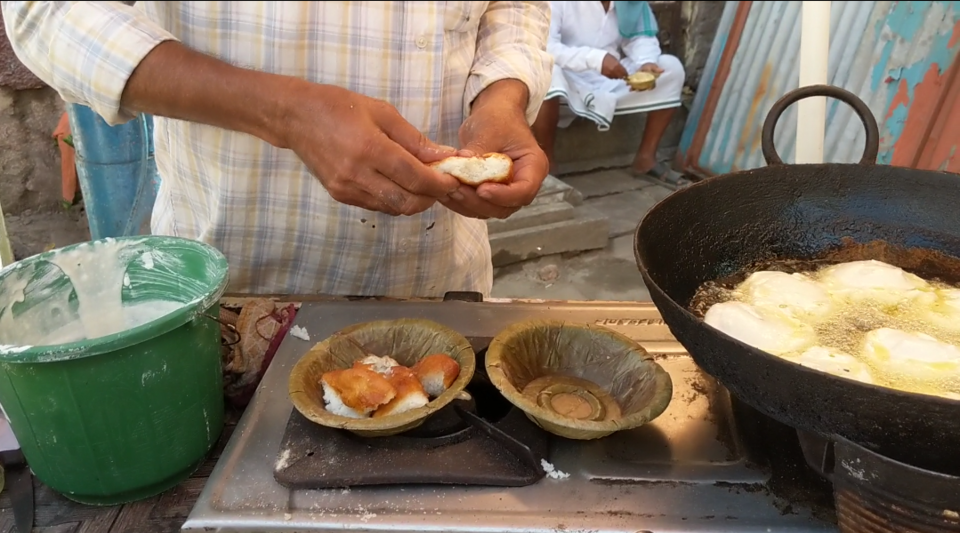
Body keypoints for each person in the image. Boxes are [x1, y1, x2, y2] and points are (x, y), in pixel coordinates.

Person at [1, 2, 553, 298]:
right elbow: (47, 12)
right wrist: (283, 111)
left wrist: (501, 97)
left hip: (446, 288)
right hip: (237, 301)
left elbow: (514, 8)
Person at [532, 1, 689, 189]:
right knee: (545, 71)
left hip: (611, 77)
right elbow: (546, 47)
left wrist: (646, 62)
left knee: (672, 68)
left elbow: (639, 37)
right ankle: (545, 165)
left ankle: (646, 159)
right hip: (568, 78)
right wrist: (596, 59)